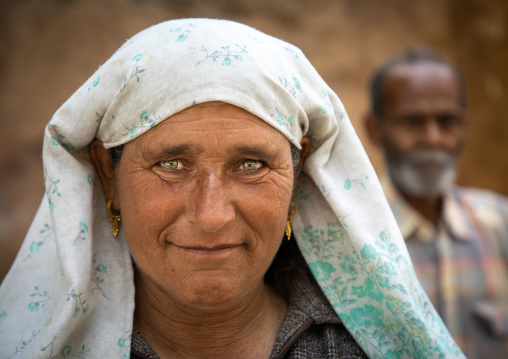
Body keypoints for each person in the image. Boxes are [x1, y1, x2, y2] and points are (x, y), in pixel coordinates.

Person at [0, 20, 463, 359]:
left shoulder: (354, 350)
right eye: (172, 164)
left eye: (250, 164)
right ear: (108, 177)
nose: (211, 213)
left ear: (297, 177)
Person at [365, 48, 508, 358]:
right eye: (412, 122)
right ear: (375, 130)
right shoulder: (352, 237)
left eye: (447, 122)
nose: (433, 139)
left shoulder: (501, 224)